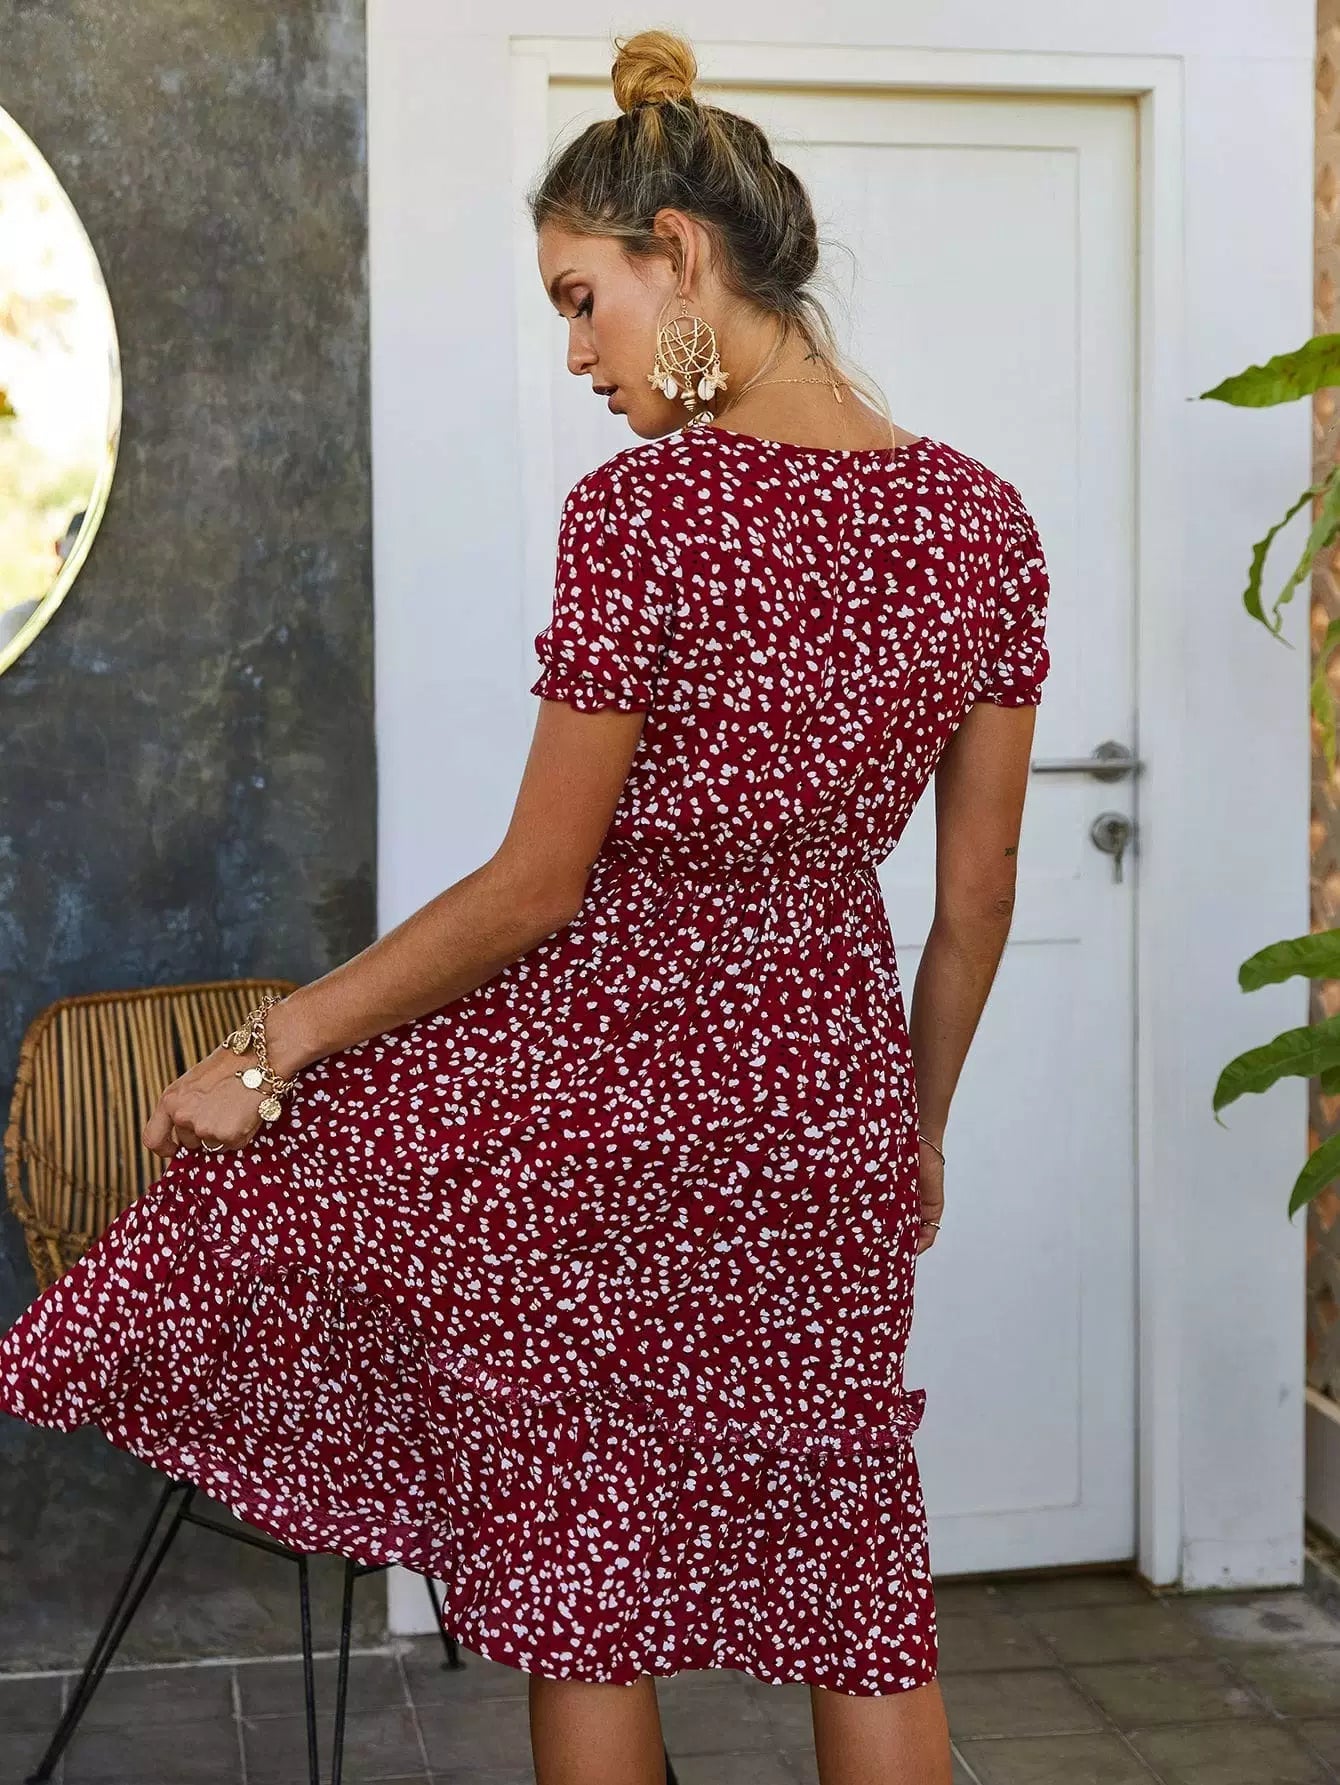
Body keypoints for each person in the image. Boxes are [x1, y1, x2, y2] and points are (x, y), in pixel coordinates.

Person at [0, 27, 1051, 1785]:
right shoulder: (983, 525)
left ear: (680, 256)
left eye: (584, 300)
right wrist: (914, 1123)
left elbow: (536, 885)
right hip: (828, 1102)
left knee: (589, 1566)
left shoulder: (644, 517)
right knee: (852, 1559)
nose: (576, 351)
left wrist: (272, 1050)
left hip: (609, 1107)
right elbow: (980, 899)